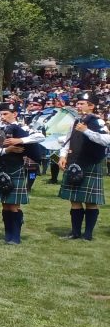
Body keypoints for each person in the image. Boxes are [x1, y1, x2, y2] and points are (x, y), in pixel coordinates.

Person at [0, 102, 43, 245]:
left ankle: (16, 236)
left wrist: (20, 140)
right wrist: (7, 150)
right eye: (1, 114)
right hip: (1, 168)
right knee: (5, 204)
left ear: (15, 114)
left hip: (16, 168)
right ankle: (8, 235)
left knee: (13, 205)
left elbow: (40, 137)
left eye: (6, 114)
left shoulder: (24, 128)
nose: (2, 116)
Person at [59, 92, 108, 241]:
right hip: (74, 162)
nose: (78, 106)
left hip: (90, 163)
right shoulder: (76, 121)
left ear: (91, 106)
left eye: (81, 104)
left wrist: (86, 131)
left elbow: (106, 140)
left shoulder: (98, 122)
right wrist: (63, 155)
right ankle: (75, 232)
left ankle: (88, 234)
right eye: (78, 103)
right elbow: (67, 140)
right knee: (74, 199)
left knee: (90, 202)